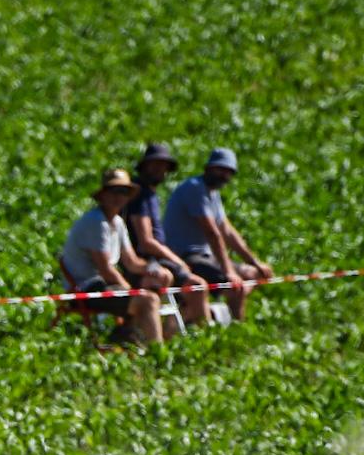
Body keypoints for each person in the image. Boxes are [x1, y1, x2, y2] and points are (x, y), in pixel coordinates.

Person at [161, 147, 273, 321]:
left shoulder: (213, 193)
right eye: (220, 169)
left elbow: (227, 232)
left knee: (253, 275)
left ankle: (217, 313)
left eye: (228, 172)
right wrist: (229, 271)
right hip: (187, 255)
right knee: (237, 286)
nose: (223, 175)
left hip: (207, 255)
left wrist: (255, 263)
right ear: (209, 167)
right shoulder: (194, 188)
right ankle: (233, 325)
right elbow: (212, 232)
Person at [59, 168, 163, 346]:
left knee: (151, 286)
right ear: (103, 195)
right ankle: (156, 353)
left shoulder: (117, 222)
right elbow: (105, 269)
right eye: (113, 191)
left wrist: (153, 270)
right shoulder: (95, 222)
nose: (118, 196)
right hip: (86, 290)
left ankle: (126, 335)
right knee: (148, 301)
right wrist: (131, 290)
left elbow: (131, 262)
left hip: (104, 286)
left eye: (123, 192)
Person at [123, 142, 209, 326]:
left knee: (195, 287)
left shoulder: (150, 195)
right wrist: (177, 261)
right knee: (196, 286)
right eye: (155, 164)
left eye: (163, 165)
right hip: (146, 261)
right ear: (144, 166)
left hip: (157, 259)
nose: (159, 170)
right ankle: (201, 335)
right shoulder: (141, 195)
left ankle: (184, 331)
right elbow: (146, 241)